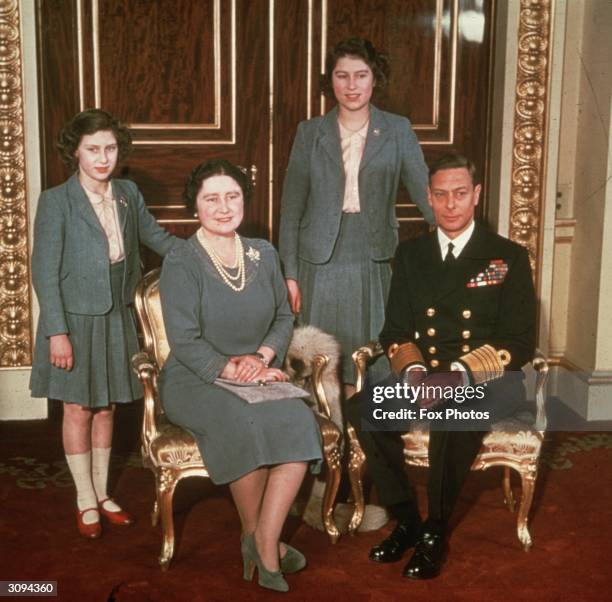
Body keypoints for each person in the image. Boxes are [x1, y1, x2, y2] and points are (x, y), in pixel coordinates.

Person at [345, 153, 537, 579]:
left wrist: (455, 376)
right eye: (441, 195)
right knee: (362, 409)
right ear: (429, 199)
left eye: (461, 194)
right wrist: (414, 374)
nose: (451, 204)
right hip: (423, 376)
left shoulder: (507, 256)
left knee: (454, 409)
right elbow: (395, 330)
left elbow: (519, 342)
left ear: (477, 196)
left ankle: (435, 530)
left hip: (489, 380)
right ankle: (407, 519)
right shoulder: (411, 255)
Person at [159, 159, 322, 593]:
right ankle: (264, 547)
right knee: (243, 422)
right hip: (197, 378)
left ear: (244, 201)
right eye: (211, 198)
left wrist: (262, 356)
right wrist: (232, 368)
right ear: (195, 206)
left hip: (258, 368)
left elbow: (284, 318)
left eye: (232, 196)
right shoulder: (182, 259)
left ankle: (261, 538)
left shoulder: (263, 254)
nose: (223, 206)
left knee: (298, 419)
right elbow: (184, 339)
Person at [30, 108, 182, 539]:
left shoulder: (128, 193)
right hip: (75, 322)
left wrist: (204, 251)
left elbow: (157, 239)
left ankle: (102, 492)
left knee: (109, 405)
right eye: (93, 149)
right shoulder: (56, 201)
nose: (102, 157)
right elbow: (44, 272)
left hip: (117, 315)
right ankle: (83, 497)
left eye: (110, 148)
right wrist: (56, 331)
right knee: (78, 407)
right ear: (75, 152)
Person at [279, 37, 435, 396]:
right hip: (317, 262)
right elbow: (291, 210)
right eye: (342, 76)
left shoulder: (397, 130)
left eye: (361, 75)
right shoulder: (309, 133)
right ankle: (327, 446)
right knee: (319, 367)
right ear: (330, 80)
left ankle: (368, 446)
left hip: (372, 258)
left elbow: (428, 199)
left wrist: (458, 241)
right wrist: (289, 275)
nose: (352, 86)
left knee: (370, 362)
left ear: (375, 79)